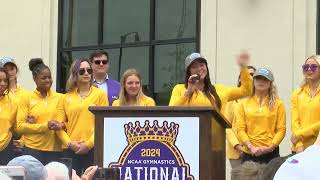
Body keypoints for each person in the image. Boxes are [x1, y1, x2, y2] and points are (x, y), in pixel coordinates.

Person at [56, 58, 108, 175]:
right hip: (70, 149)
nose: (86, 73)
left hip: (94, 148)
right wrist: (70, 144)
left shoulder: (100, 94)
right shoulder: (65, 98)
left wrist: (89, 144)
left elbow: (103, 123)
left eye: (89, 71)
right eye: (82, 71)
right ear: (74, 74)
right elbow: (58, 127)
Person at [16, 58, 64, 165]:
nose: (48, 80)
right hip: (32, 149)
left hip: (55, 150)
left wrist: (61, 125)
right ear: (34, 78)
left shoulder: (60, 98)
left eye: (49, 77)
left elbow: (66, 121)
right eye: (43, 78)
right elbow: (19, 127)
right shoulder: (26, 98)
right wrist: (45, 126)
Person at [236, 68, 286, 164]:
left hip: (271, 153)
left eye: (265, 79)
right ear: (253, 81)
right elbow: (240, 129)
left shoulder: (278, 104)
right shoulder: (243, 103)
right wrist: (251, 146)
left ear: (270, 83)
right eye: (258, 79)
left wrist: (270, 147)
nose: (261, 82)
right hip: (249, 153)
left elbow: (281, 129)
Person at [225, 66, 256, 168]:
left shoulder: (259, 100)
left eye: (252, 75)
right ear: (240, 79)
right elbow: (227, 126)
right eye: (247, 75)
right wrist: (238, 146)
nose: (250, 77)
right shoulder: (232, 100)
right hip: (236, 152)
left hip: (255, 151)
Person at [291, 55, 320, 153]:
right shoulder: (297, 93)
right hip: (299, 148)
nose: (309, 69)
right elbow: (295, 122)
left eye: (313, 67)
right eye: (306, 67)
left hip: (317, 147)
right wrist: (299, 146)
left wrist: (301, 133)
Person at [0, 68, 18, 165]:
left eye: (5, 81)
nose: (2, 83)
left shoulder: (12, 103)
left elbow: (16, 129)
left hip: (6, 150)